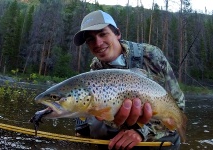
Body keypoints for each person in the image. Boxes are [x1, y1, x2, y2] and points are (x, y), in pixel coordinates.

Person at [73, 10, 185, 150]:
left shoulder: (151, 55)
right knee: (92, 123)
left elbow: (178, 105)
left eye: (103, 34)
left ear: (117, 33)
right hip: (120, 136)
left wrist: (140, 132)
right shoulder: (95, 72)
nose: (98, 43)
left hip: (156, 135)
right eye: (90, 39)